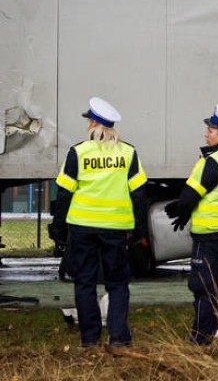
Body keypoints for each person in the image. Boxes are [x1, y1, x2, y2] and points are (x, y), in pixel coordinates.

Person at [54, 97, 147, 347]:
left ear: (94, 123)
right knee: (117, 283)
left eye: (89, 120)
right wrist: (140, 231)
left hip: (82, 228)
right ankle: (118, 338)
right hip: (116, 229)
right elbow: (139, 195)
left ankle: (90, 339)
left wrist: (59, 230)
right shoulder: (128, 153)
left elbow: (64, 194)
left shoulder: (78, 152)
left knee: (85, 282)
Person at [165, 104, 218, 345]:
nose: (206, 134)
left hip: (210, 236)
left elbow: (191, 195)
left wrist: (177, 209)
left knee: (204, 287)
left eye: (211, 131)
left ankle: (201, 338)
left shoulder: (213, 162)